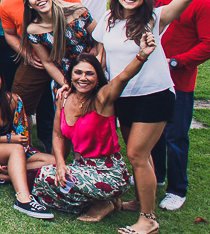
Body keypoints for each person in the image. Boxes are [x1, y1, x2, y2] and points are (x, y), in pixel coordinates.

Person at [92, 0, 210, 234]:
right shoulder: (109, 20)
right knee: (140, 156)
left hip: (154, 95)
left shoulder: (154, 19)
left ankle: (149, 219)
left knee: (136, 155)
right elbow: (101, 51)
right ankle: (139, 202)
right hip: (125, 97)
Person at [31, 48, 151, 221]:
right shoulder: (63, 98)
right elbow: (58, 135)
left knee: (45, 177)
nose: (83, 78)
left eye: (89, 74)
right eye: (78, 72)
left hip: (109, 173)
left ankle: (103, 203)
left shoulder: (103, 98)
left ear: (97, 78)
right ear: (70, 75)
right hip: (80, 168)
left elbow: (124, 77)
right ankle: (100, 201)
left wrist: (142, 56)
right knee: (44, 182)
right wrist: (60, 164)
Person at [0, 0, 81, 151]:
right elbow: (8, 34)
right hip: (38, 59)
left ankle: (79, 151)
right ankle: (25, 149)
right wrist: (26, 54)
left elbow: (81, 13)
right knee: (17, 103)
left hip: (72, 57)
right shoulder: (6, 3)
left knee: (78, 100)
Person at [0, 61, 56, 219]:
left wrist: (15, 145)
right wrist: (8, 138)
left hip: (14, 151)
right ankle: (23, 199)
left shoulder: (14, 100)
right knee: (16, 149)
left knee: (53, 161)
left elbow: (22, 136)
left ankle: (7, 175)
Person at [23, 0, 98, 91]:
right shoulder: (34, 30)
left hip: (91, 67)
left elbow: (100, 40)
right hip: (64, 74)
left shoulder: (78, 12)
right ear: (29, 5)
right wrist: (66, 84)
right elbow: (47, 62)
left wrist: (98, 61)